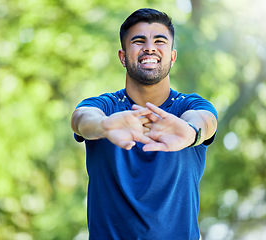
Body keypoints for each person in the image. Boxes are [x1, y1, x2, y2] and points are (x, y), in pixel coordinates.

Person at [71, 8, 218, 240]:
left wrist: (191, 134)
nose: (149, 47)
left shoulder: (189, 107)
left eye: (160, 41)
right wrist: (103, 126)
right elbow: (81, 118)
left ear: (172, 56)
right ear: (122, 56)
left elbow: (206, 122)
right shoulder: (106, 107)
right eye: (138, 41)